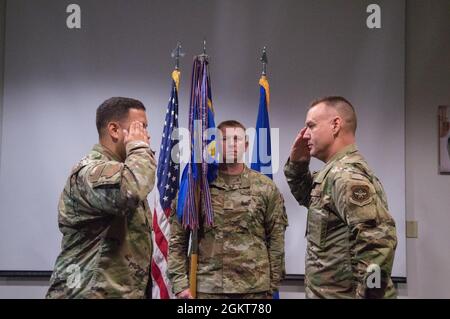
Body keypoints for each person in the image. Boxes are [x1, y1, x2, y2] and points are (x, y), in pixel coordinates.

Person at [284, 96, 397, 298]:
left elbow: (378, 244)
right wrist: (297, 164)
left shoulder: (345, 176)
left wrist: (370, 296)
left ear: (336, 125)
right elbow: (306, 197)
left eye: (311, 126)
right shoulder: (332, 173)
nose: (305, 135)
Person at [46, 97, 156, 298]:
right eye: (140, 127)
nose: (146, 136)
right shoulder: (91, 171)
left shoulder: (123, 171)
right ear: (114, 130)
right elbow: (131, 190)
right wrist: (139, 148)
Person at [168, 120, 288, 299]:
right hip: (207, 288)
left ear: (246, 145)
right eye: (224, 139)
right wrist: (179, 284)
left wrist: (272, 286)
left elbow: (276, 239)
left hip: (254, 289)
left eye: (237, 139)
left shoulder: (265, 187)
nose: (231, 144)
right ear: (215, 144)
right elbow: (178, 238)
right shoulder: (198, 187)